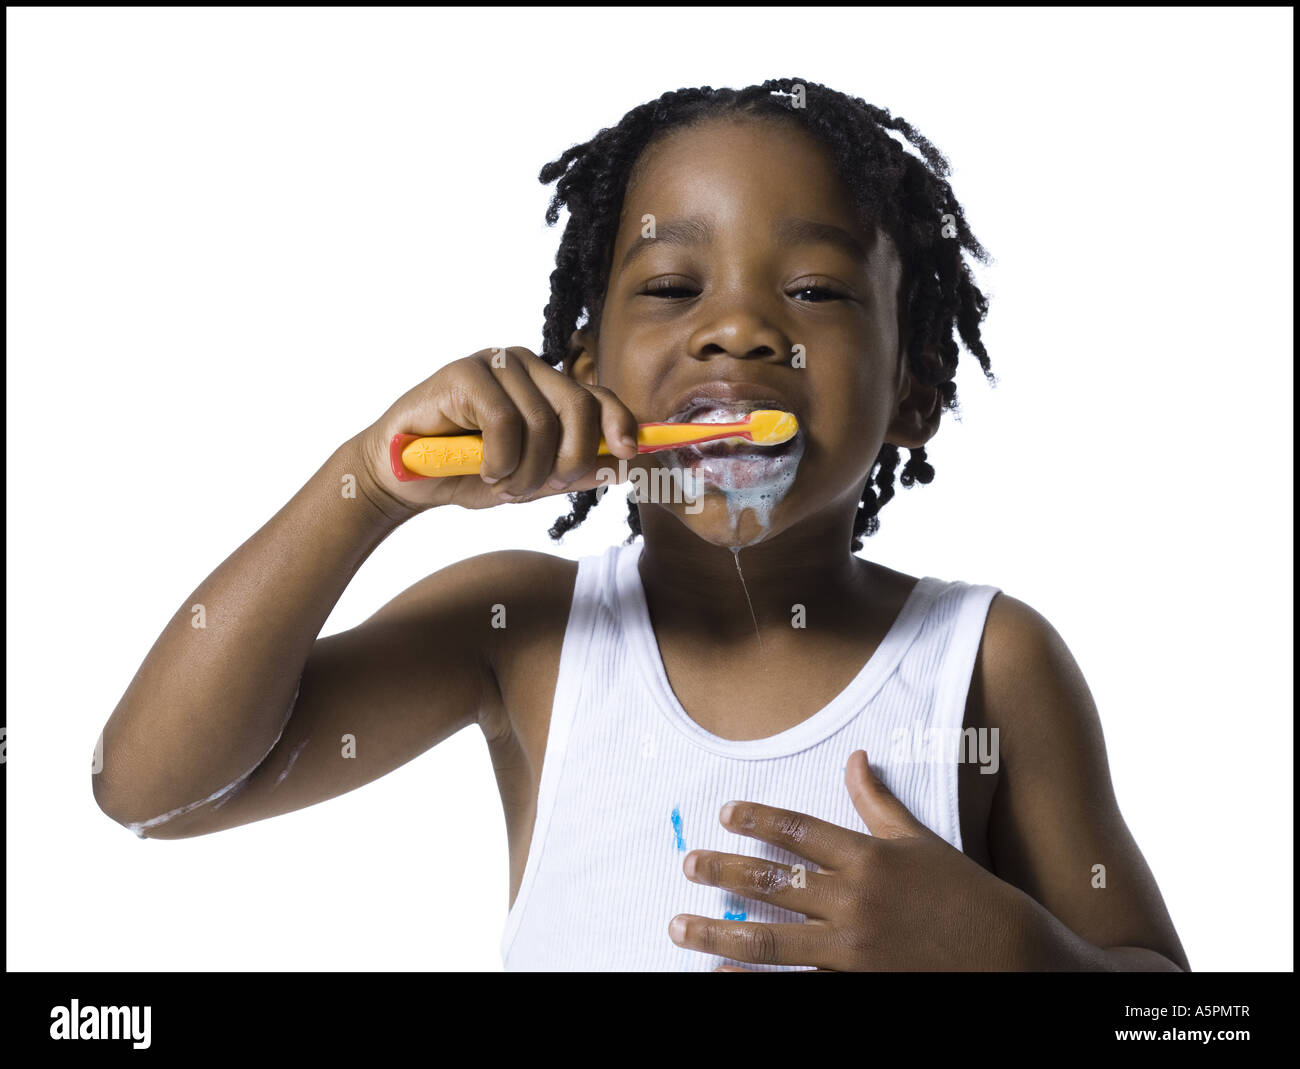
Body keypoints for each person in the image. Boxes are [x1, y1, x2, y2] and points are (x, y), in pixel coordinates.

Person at [93, 78, 1188, 972]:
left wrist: (1019, 960)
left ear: (912, 389)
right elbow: (148, 789)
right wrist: (365, 488)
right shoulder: (521, 630)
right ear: (586, 371)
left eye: (814, 291)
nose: (738, 330)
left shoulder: (990, 663)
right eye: (671, 287)